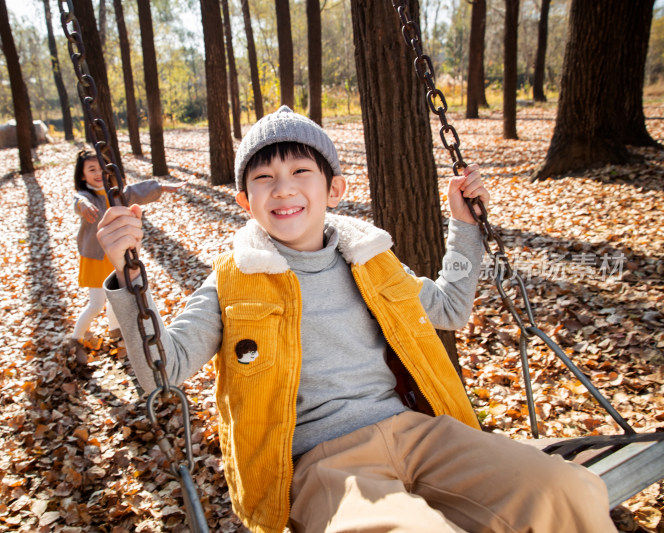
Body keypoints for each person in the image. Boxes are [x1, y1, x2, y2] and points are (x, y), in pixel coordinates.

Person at [96, 107, 614, 533]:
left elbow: (451, 307)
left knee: (568, 492)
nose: (283, 189)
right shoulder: (233, 283)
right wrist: (127, 277)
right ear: (244, 202)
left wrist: (464, 229)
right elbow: (163, 372)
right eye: (264, 178)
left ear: (334, 189)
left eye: (301, 172)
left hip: (421, 435)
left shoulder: (371, 259)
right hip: (327, 465)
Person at [70, 149, 180, 350]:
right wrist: (84, 205)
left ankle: (116, 333)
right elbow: (79, 201)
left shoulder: (116, 195)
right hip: (95, 258)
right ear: (82, 175)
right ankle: (75, 338)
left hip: (115, 256)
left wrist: (161, 187)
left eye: (100, 169)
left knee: (115, 298)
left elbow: (137, 191)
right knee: (96, 304)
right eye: (91, 169)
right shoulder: (87, 196)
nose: (97, 173)